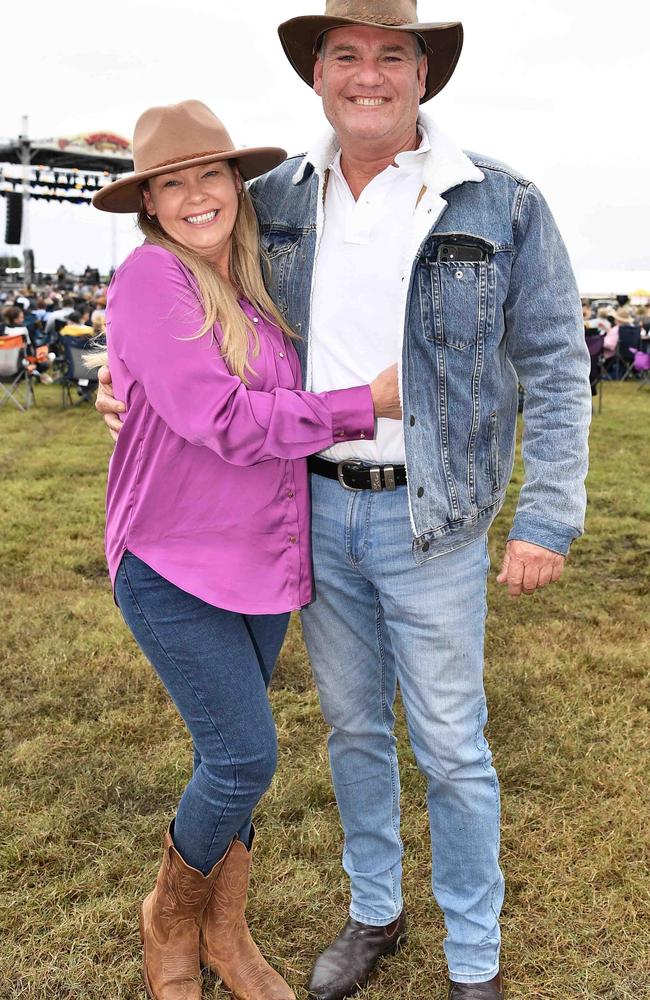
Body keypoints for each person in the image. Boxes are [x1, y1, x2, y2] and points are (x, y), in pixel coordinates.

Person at [97, 4, 592, 998]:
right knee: (352, 729)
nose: (368, 75)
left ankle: (472, 960)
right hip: (307, 510)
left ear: (422, 72)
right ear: (317, 74)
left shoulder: (499, 201)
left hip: (434, 516)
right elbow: (186, 307)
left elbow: (554, 365)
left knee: (450, 740)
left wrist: (546, 515)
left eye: (391, 54)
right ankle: (372, 913)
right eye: (346, 55)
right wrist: (125, 384)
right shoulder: (274, 194)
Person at [92, 98, 400, 1000]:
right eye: (171, 184)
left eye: (209, 175)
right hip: (172, 560)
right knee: (243, 756)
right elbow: (216, 418)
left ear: (237, 184)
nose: (194, 196)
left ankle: (226, 933)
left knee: (230, 754)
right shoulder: (153, 280)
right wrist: (361, 405)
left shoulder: (258, 288)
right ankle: (170, 920)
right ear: (150, 205)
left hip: (262, 564)